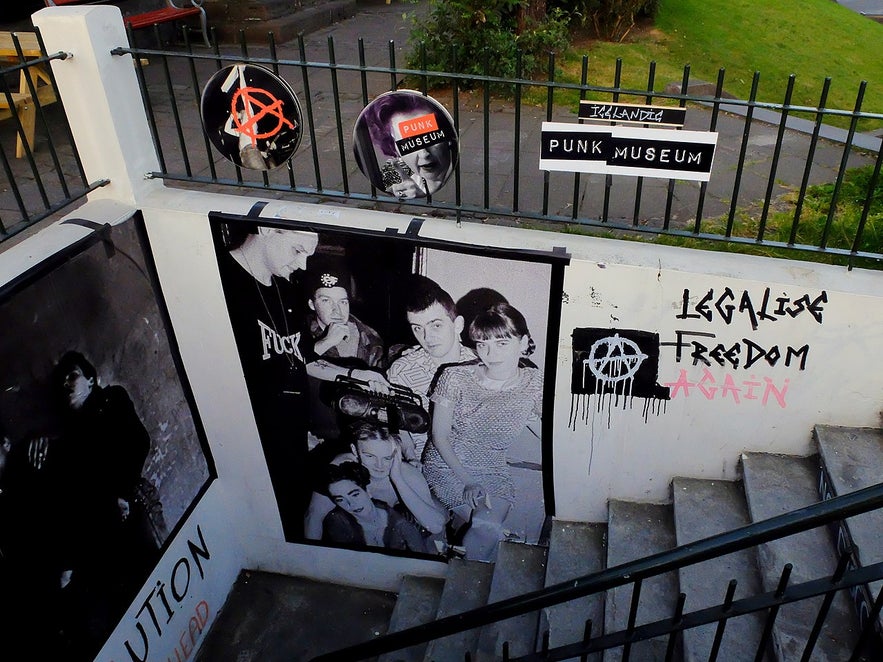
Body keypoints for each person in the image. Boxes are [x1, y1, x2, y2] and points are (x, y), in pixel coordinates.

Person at [217, 224, 389, 540]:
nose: (302, 264)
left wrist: (356, 374)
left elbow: (304, 358)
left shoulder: (285, 287)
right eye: (298, 250)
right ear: (268, 228)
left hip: (292, 439)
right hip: (251, 442)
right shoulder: (220, 283)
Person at [26, 351, 159, 659]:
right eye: (61, 381)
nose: (66, 384)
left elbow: (138, 442)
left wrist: (121, 492)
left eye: (72, 376)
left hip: (134, 508)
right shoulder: (68, 437)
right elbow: (72, 497)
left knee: (153, 580)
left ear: (91, 379)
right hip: (105, 529)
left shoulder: (111, 401)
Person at [421, 303, 543, 562]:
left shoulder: (534, 383)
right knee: (487, 528)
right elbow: (439, 437)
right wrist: (468, 480)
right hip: (448, 465)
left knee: (489, 528)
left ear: (523, 343)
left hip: (492, 468)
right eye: (482, 344)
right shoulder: (453, 377)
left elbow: (551, 432)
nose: (490, 354)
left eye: (502, 343)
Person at [303, 421, 447, 547]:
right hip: (360, 526)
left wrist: (397, 479)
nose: (379, 466)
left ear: (395, 454)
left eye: (386, 458)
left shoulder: (406, 472)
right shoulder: (340, 467)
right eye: (370, 456)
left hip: (396, 525)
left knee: (437, 523)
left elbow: (435, 526)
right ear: (355, 451)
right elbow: (313, 516)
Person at [386, 275, 475, 458]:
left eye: (436, 325)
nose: (426, 337)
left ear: (457, 325)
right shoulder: (402, 371)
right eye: (417, 328)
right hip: (420, 468)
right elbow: (396, 427)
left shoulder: (481, 364)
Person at [358, 91, 457, 200]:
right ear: (394, 149)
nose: (424, 154)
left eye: (430, 137)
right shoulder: (395, 178)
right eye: (409, 142)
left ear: (448, 136)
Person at [320, 461, 428, 553]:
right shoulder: (337, 521)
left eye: (355, 494)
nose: (351, 504)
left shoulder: (402, 522)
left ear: (369, 491)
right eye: (340, 500)